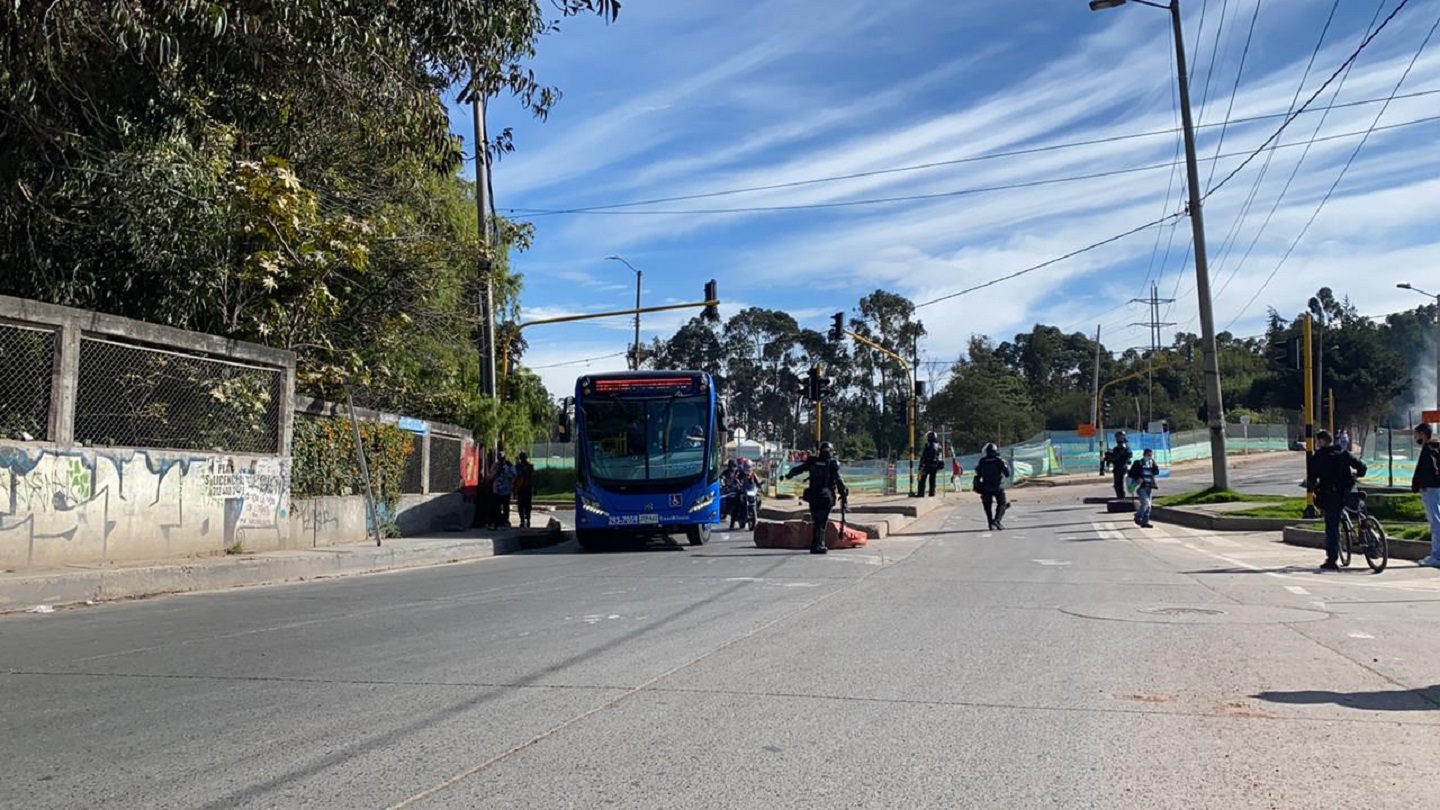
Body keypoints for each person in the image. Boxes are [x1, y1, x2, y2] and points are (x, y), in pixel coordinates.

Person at [1306, 429, 1367, 571]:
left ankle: (1332, 559)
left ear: (1321, 442)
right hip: (1349, 492)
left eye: (1317, 441)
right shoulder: (1343, 453)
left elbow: (1312, 478)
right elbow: (1362, 467)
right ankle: (1368, 535)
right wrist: (1357, 474)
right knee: (1360, 511)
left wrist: (1313, 487)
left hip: (1331, 496)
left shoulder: (1318, 458)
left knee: (1332, 527)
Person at [784, 442, 849, 555]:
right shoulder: (831, 463)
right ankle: (819, 545)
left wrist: (789, 475)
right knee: (821, 522)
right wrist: (844, 493)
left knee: (816, 521)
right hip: (825, 496)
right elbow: (839, 480)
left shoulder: (812, 461)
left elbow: (798, 469)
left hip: (813, 495)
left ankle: (816, 544)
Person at [1412, 423, 1440, 568]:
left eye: (1416, 434)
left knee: (1435, 522)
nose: (1415, 437)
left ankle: (1437, 555)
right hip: (1437, 487)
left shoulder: (1427, 449)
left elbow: (1425, 469)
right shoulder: (1436, 447)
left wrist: (1419, 484)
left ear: (1423, 434)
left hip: (1430, 488)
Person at [975, 443, 1011, 531]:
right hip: (998, 486)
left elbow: (978, 473)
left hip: (986, 487)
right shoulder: (999, 460)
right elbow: (1007, 474)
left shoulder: (982, 461)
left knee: (987, 506)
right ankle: (997, 520)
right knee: (1002, 503)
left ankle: (990, 523)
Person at [1127, 448, 1161, 529]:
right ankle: (1138, 516)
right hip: (1141, 486)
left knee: (1149, 506)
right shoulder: (1138, 463)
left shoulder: (1151, 463)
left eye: (1150, 455)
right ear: (1144, 455)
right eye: (1148, 455)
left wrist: (1154, 463)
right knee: (1146, 503)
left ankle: (1145, 522)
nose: (1149, 457)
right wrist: (1138, 479)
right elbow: (1131, 473)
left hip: (1149, 486)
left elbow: (1156, 472)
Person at [489, 452, 516, 530]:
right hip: (496, 490)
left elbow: (514, 475)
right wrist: (497, 471)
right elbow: (490, 477)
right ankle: (496, 522)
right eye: (499, 458)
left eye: (502, 458)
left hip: (506, 490)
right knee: (496, 507)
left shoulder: (509, 465)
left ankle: (505, 521)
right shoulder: (495, 466)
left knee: (505, 507)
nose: (501, 460)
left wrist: (506, 470)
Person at [917, 431, 943, 497]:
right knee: (932, 480)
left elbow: (924, 455)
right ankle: (932, 493)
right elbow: (940, 456)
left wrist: (921, 464)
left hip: (927, 465)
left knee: (922, 479)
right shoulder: (939, 445)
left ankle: (921, 493)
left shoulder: (928, 445)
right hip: (935, 465)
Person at [513, 452, 535, 529]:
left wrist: (533, 487)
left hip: (526, 488)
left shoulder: (529, 467)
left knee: (526, 505)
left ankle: (527, 518)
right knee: (522, 505)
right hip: (522, 488)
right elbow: (515, 479)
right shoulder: (519, 467)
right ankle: (523, 519)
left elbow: (532, 478)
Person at [1109, 431, 1133, 500]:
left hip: (1121, 466)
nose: (1117, 438)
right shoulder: (1122, 446)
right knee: (1117, 483)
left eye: (1119, 437)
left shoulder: (1123, 446)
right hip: (1119, 466)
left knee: (1118, 483)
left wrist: (1111, 457)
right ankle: (1120, 496)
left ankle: (1121, 496)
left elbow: (1117, 456)